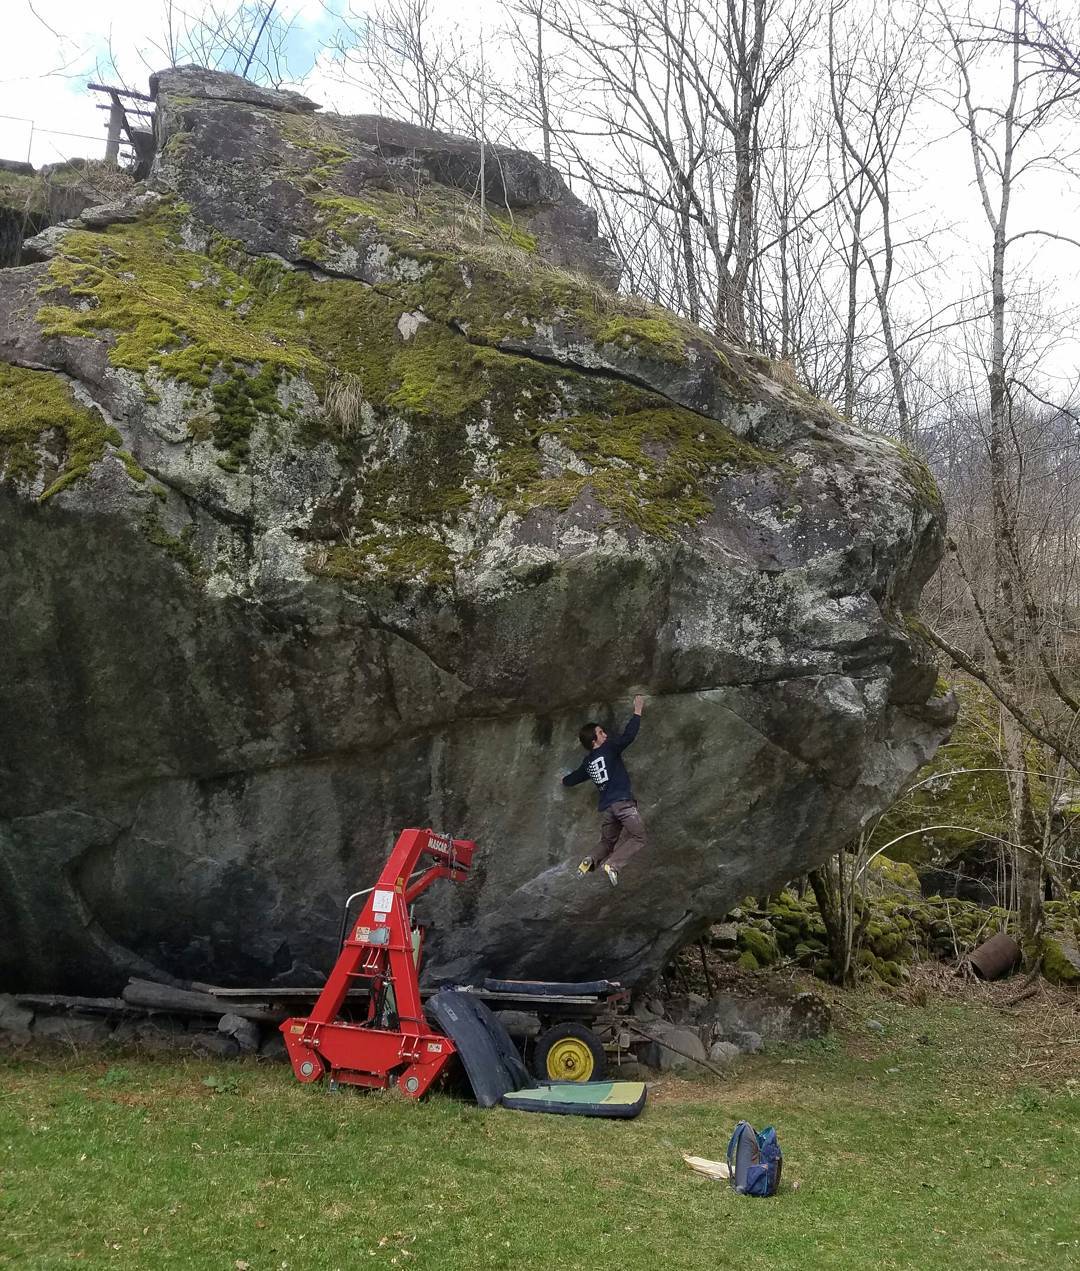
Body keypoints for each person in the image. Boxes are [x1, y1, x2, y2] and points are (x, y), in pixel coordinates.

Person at [561, 695, 647, 887]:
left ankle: (589, 860)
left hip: (608, 808)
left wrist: (563, 780)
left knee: (607, 843)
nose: (606, 735)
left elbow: (574, 778)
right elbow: (628, 736)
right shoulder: (608, 748)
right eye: (601, 733)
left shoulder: (588, 763)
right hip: (623, 803)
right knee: (639, 837)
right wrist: (637, 711)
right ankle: (613, 865)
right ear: (594, 741)